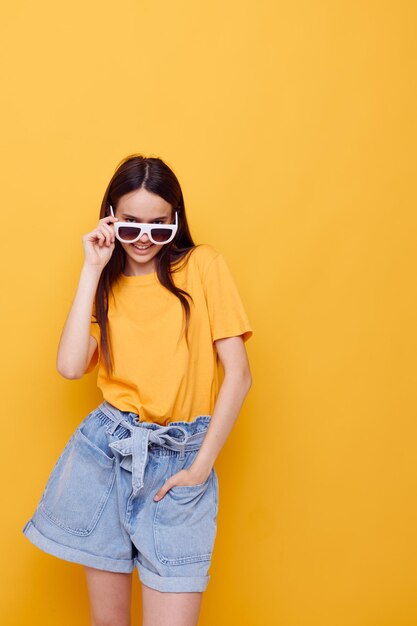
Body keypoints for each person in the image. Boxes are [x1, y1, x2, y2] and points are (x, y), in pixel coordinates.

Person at [22, 153, 253, 626]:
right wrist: (91, 267)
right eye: (130, 225)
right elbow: (70, 366)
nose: (144, 238)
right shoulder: (104, 284)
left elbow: (240, 373)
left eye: (158, 226)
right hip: (107, 454)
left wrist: (199, 467)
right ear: (110, 216)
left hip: (180, 459)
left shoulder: (203, 266)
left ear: (175, 221)